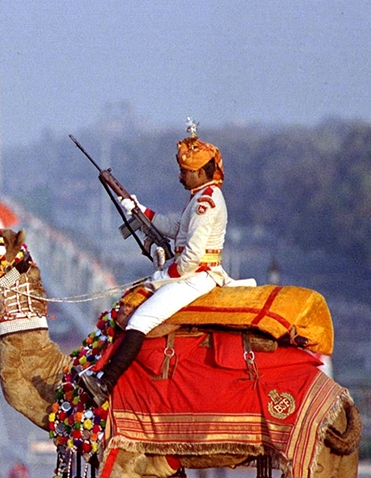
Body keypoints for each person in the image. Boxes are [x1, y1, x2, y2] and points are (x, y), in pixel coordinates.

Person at [80, 120, 252, 405]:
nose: (180, 177)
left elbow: (190, 260)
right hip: (191, 273)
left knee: (141, 319)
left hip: (198, 276)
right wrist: (139, 209)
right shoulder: (200, 196)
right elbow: (174, 228)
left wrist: (161, 276)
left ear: (199, 172)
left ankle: (106, 385)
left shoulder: (205, 203)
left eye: (185, 172)